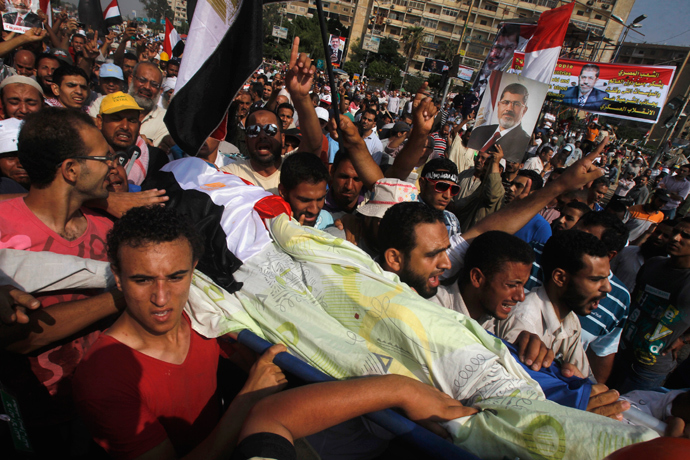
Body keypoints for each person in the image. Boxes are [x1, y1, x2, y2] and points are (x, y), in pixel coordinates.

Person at [73, 206, 289, 460]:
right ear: (118, 277)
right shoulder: (104, 378)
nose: (162, 298)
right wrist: (246, 402)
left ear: (193, 269)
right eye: (142, 280)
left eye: (176, 277)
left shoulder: (200, 314)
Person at [0, 109, 122, 453]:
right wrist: (118, 295)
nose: (113, 166)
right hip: (28, 422)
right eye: (104, 157)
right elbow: (14, 338)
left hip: (97, 416)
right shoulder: (4, 231)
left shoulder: (109, 231)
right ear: (71, 169)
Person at [496, 230, 612, 378]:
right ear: (560, 278)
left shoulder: (571, 320)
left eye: (606, 278)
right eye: (596, 279)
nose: (607, 287)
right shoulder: (524, 322)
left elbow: (584, 378)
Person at [221, 40, 322, 195]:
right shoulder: (230, 175)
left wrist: (301, 97)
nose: (262, 135)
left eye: (270, 129)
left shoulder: (292, 168)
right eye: (254, 130)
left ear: (282, 138)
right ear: (246, 140)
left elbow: (314, 145)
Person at [611, 217, 690, 392]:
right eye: (676, 232)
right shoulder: (654, 264)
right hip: (618, 349)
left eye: (686, 235)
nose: (676, 238)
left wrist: (684, 339)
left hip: (648, 369)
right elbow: (635, 297)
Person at [96, 92, 169, 186]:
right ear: (100, 122)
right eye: (117, 119)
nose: (125, 126)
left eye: (132, 121)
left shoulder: (155, 158)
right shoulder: (86, 155)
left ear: (139, 126)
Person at [467, 83, 531, 163]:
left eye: (516, 104)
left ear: (524, 110)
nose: (509, 108)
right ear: (498, 105)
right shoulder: (479, 131)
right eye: (506, 102)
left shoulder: (523, 143)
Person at [611, 219, 675, 292]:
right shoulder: (627, 251)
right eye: (657, 232)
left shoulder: (668, 268)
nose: (658, 237)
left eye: (666, 236)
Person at [278, 151, 333, 229]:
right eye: (305, 200)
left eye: (320, 199)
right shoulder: (265, 227)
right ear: (283, 192)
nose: (314, 210)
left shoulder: (327, 220)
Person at [418, 158, 461, 236]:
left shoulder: (452, 220)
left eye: (454, 189)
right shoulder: (404, 213)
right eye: (441, 186)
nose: (447, 196)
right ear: (422, 183)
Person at [474, 24, 519, 96]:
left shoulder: (502, 85)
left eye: (508, 48)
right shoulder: (476, 79)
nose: (500, 54)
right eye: (498, 47)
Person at [323, 150, 365, 219]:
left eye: (356, 179)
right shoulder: (317, 207)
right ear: (332, 172)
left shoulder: (375, 203)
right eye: (344, 177)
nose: (349, 186)